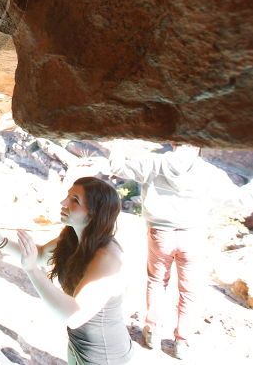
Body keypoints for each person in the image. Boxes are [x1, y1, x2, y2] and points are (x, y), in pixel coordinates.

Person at [0, 177, 133, 365]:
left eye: (75, 200)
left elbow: (74, 315)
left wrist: (32, 270)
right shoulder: (74, 236)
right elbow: (41, 254)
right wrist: (1, 242)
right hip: (78, 345)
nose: (63, 203)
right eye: (68, 196)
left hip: (104, 356)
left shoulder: (108, 259)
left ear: (94, 213)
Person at [104, 143, 206, 360]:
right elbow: (236, 198)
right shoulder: (207, 170)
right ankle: (182, 341)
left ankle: (153, 332)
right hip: (192, 234)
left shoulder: (155, 162)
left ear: (173, 142)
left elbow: (119, 167)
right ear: (199, 145)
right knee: (189, 289)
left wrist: (116, 143)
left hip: (161, 232)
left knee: (157, 281)